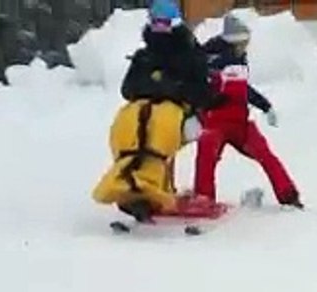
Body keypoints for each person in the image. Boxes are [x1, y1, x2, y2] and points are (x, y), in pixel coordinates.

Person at [92, 0, 223, 223]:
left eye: (164, 24)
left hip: (182, 111)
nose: (159, 30)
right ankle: (130, 180)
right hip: (144, 106)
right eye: (156, 24)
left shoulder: (190, 54)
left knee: (159, 130)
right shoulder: (145, 56)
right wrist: (155, 86)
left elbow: (201, 89)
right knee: (128, 123)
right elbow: (128, 88)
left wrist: (174, 89)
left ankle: (152, 185)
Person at [193, 13, 302, 209]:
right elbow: (198, 88)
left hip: (240, 123)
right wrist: (206, 103)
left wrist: (265, 105)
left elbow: (244, 89)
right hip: (215, 122)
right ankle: (203, 198)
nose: (246, 46)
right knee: (207, 153)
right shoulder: (210, 59)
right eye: (244, 41)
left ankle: (288, 195)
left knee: (265, 154)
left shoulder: (239, 58)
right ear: (233, 40)